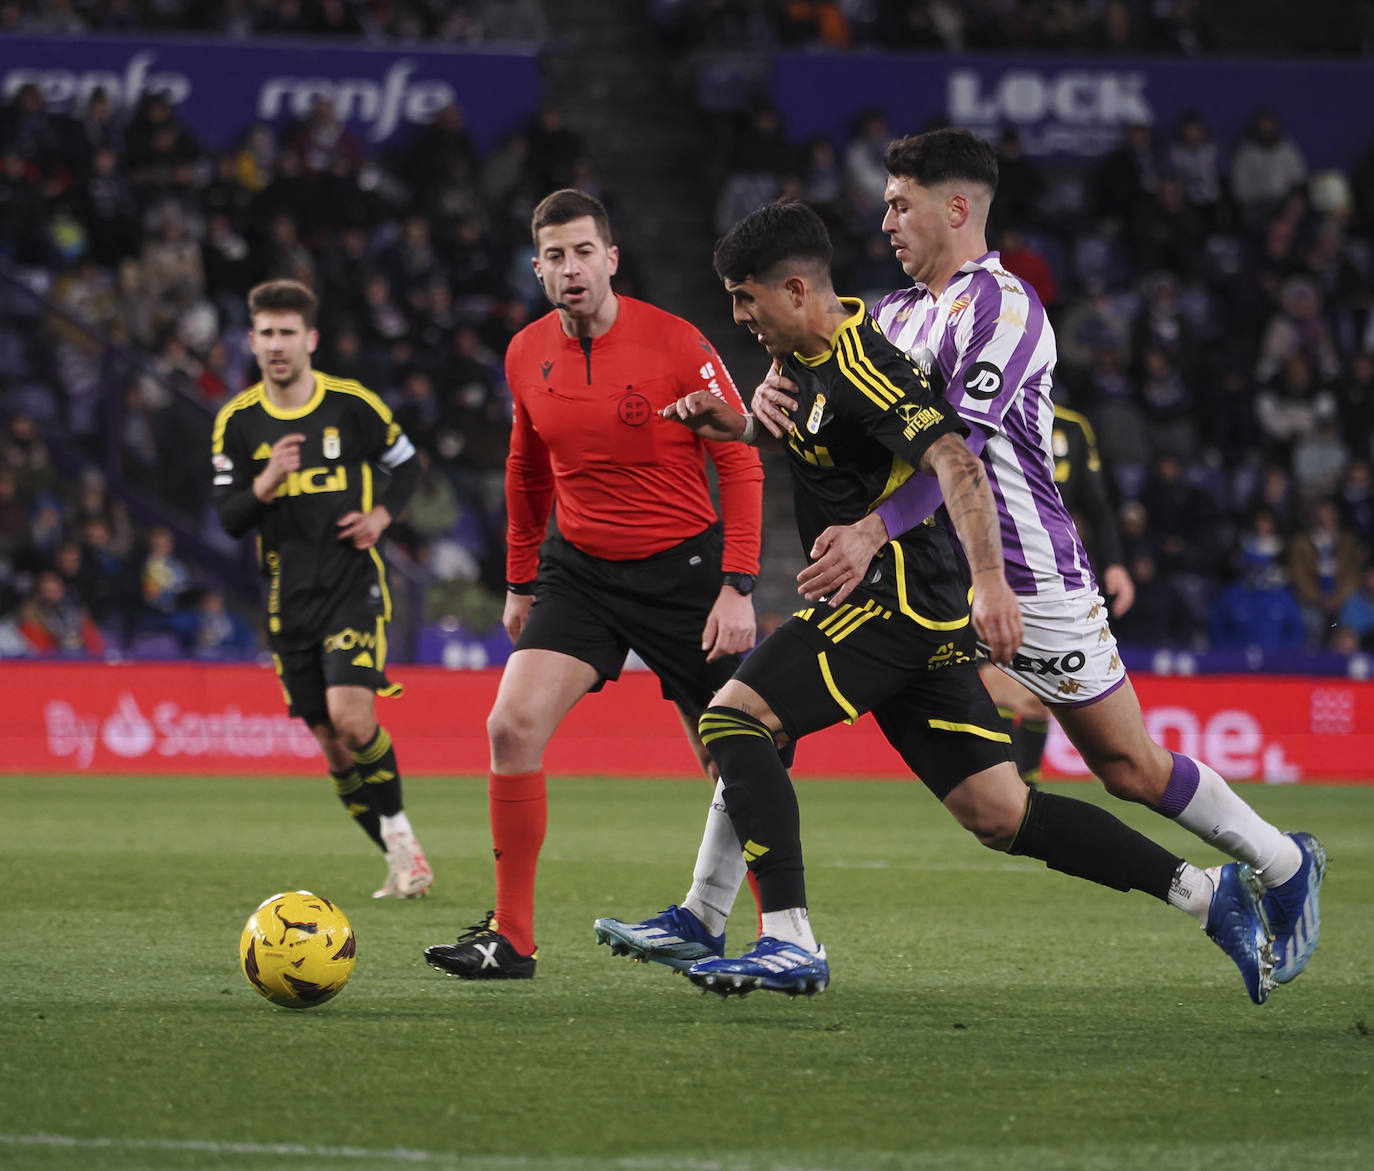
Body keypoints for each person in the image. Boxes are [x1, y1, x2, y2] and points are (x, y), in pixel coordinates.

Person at [599, 200, 1274, 1004]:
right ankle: (1210, 895)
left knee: (736, 717)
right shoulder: (805, 357)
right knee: (1000, 812)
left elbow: (956, 458)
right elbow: (827, 436)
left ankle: (776, 934)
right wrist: (741, 426)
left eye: (746, 299)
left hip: (900, 601)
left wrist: (977, 575)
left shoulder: (865, 367)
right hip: (911, 612)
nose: (739, 317)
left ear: (792, 290)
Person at [754, 130, 1325, 990]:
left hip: (1027, 580)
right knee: (766, 713)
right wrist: (777, 397)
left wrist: (873, 531)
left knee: (1127, 766)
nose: (886, 222)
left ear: (956, 208)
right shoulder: (897, 313)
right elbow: (852, 412)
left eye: (901, 203)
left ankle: (1282, 865)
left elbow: (961, 455)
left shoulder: (1004, 310)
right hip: (928, 583)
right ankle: (738, 917)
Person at [421, 189, 766, 981]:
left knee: (733, 755)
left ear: (611, 258)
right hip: (580, 572)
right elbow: (526, 468)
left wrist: (738, 584)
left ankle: (768, 933)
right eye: (554, 255)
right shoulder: (524, 352)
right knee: (510, 728)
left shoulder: (677, 342)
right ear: (536, 267)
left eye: (583, 252)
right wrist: (517, 580)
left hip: (685, 572)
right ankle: (511, 938)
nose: (570, 268)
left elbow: (739, 461)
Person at [211, 279, 432, 900]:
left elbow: (409, 464)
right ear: (252, 340)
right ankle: (401, 854)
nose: (277, 345)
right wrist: (266, 481)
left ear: (310, 339)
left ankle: (402, 848)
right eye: (266, 333)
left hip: (352, 586)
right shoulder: (238, 422)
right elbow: (228, 519)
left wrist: (382, 518)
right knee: (334, 749)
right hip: (287, 602)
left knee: (351, 719)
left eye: (288, 333)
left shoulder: (350, 406)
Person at [986, 404, 1136, 786]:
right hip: (985, 568)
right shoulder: (976, 413)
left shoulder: (1072, 427)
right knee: (996, 683)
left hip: (1051, 577)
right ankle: (999, 782)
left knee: (1037, 699)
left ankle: (1025, 784)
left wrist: (1116, 564)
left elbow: (1097, 506)